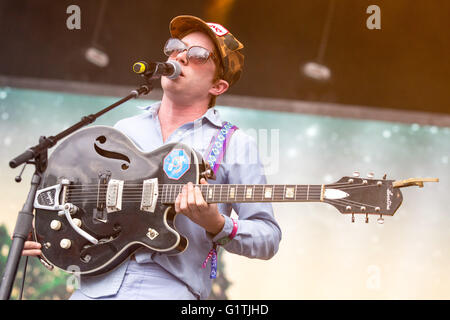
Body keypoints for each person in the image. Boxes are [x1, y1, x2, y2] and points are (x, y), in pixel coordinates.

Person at [22, 15, 282, 300]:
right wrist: (50, 232)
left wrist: (218, 225)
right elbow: (87, 202)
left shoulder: (235, 144)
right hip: (94, 288)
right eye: (176, 47)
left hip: (169, 290)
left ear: (217, 86)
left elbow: (267, 237)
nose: (180, 56)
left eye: (197, 55)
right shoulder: (124, 131)